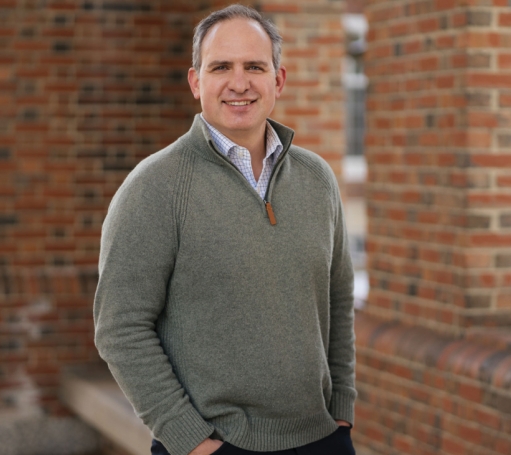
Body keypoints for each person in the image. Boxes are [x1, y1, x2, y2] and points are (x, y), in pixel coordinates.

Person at [93, 5, 356, 455]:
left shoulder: (318, 179)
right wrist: (191, 440)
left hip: (322, 439)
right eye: (221, 67)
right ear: (196, 82)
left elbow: (338, 298)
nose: (240, 83)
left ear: (279, 80)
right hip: (216, 446)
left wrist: (342, 408)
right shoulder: (154, 187)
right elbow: (119, 327)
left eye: (255, 66)